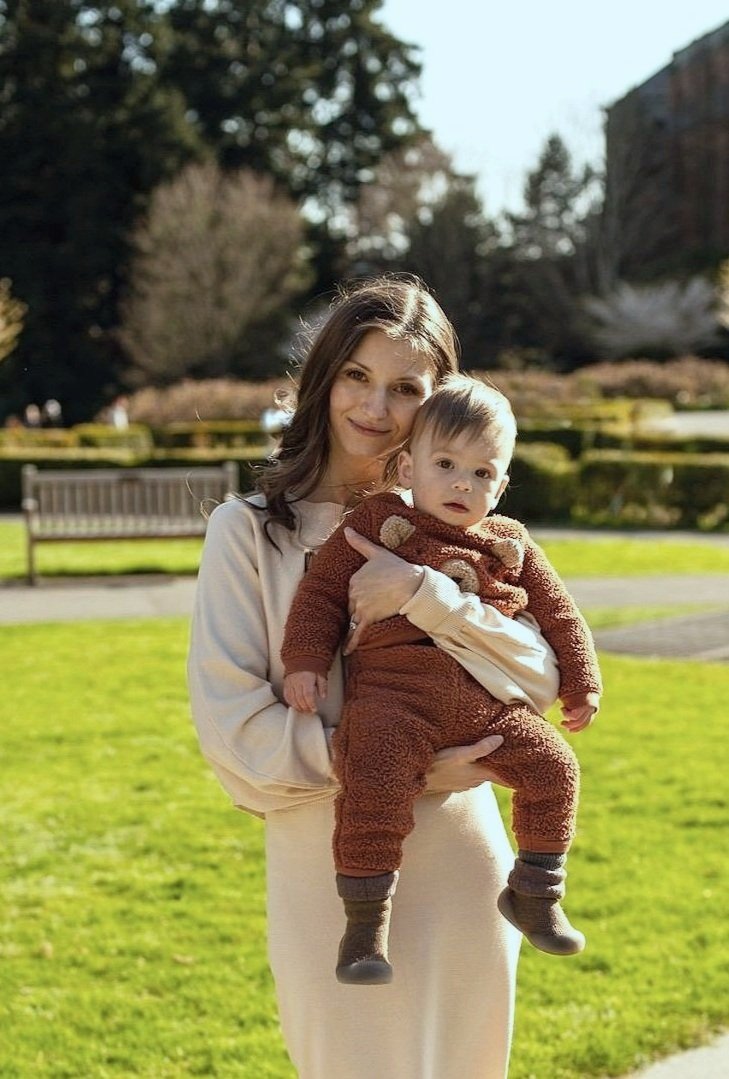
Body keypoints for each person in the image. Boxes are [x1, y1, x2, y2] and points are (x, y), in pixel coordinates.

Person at [188, 276, 561, 1079]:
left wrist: (425, 595)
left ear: (436, 402)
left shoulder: (463, 527)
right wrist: (405, 766)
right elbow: (235, 735)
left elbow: (538, 677)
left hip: (462, 861)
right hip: (327, 872)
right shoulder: (245, 534)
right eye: (356, 375)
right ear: (324, 376)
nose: (375, 406)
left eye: (405, 387)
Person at [281, 374, 602, 987]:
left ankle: (535, 892)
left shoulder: (510, 544)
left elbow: (561, 613)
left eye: (482, 474)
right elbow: (320, 595)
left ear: (501, 488)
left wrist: (581, 683)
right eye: (446, 465)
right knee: (372, 782)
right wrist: (304, 661)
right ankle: (364, 928)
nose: (462, 483)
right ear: (408, 468)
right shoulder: (377, 523)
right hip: (394, 699)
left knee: (555, 768)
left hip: (490, 704)